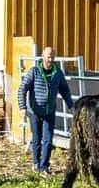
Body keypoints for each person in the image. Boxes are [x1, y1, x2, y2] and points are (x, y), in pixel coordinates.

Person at [21, 46, 73, 175]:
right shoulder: (34, 71)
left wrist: (71, 106)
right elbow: (22, 88)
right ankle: (36, 163)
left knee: (48, 140)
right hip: (35, 111)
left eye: (52, 57)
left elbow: (65, 90)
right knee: (37, 138)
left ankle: (44, 166)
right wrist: (22, 107)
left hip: (49, 112)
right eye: (48, 57)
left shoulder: (57, 73)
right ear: (43, 56)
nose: (50, 59)